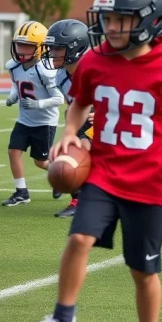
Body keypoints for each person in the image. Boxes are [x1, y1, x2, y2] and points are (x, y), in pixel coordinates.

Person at [15, 0, 162, 322]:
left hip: (153, 183)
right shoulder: (96, 58)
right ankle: (62, 319)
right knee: (78, 239)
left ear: (151, 20)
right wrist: (70, 131)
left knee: (142, 270)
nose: (111, 27)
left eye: (122, 19)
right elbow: (79, 102)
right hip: (104, 173)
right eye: (108, 18)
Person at [3, 21, 64, 206]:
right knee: (13, 151)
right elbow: (16, 82)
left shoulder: (45, 70)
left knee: (40, 161)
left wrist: (37, 104)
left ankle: (59, 175)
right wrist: (13, 95)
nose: (21, 50)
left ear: (39, 48)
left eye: (27, 46)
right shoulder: (13, 65)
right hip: (24, 120)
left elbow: (59, 99)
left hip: (44, 122)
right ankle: (21, 192)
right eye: (19, 44)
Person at [42, 19, 93, 218]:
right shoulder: (61, 76)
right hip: (82, 121)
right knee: (65, 152)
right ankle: (72, 187)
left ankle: (79, 195)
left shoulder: (93, 71)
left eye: (57, 48)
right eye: (52, 48)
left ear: (75, 48)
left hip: (108, 122)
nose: (52, 53)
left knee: (78, 154)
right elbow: (70, 105)